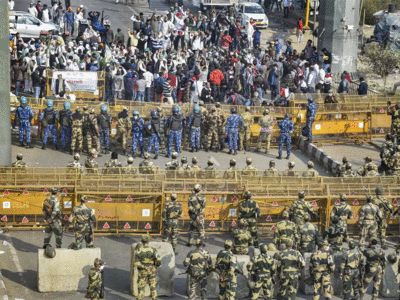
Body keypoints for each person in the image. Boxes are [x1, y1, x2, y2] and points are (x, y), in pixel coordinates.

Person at [134, 235, 162, 300]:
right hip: (151, 270)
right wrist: (155, 265)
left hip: (142, 271)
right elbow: (159, 261)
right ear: (148, 241)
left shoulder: (138, 250)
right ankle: (154, 298)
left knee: (141, 287)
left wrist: (144, 267)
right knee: (153, 286)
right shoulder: (153, 250)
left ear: (142, 241)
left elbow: (136, 263)